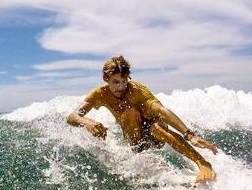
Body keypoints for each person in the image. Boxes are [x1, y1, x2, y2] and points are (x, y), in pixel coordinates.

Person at [66, 56, 217, 183]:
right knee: (130, 113)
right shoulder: (99, 94)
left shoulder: (138, 90)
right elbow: (72, 116)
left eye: (124, 81)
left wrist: (190, 135)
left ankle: (203, 163)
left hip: (156, 131)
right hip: (135, 138)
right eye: (116, 82)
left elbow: (162, 111)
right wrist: (88, 122)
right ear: (106, 78)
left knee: (156, 126)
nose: (121, 87)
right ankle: (140, 158)